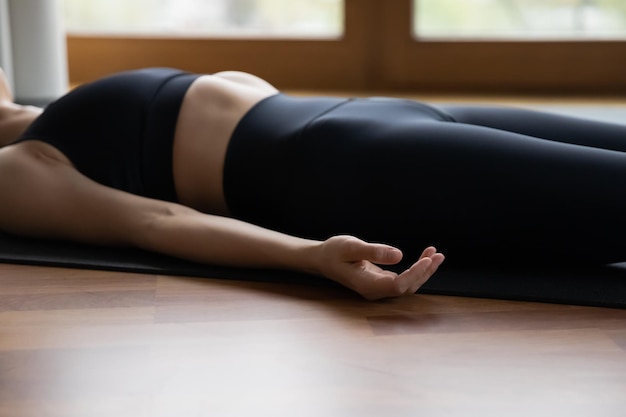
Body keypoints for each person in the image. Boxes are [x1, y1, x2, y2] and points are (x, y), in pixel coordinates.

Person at [0, 68, 624, 301]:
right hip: (356, 167)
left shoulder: (35, 108)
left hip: (386, 113)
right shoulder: (12, 174)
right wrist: (310, 256)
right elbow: (154, 223)